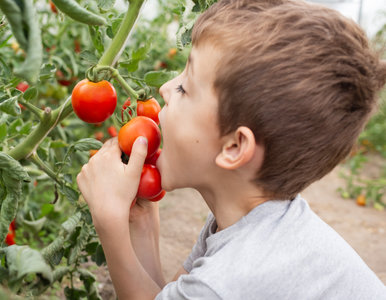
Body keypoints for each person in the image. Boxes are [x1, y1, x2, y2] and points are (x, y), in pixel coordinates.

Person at [76, 0, 386, 299]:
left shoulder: (236, 277)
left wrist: (109, 222)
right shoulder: (254, 225)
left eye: (185, 87)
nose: (165, 89)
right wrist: (140, 220)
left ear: (235, 147)